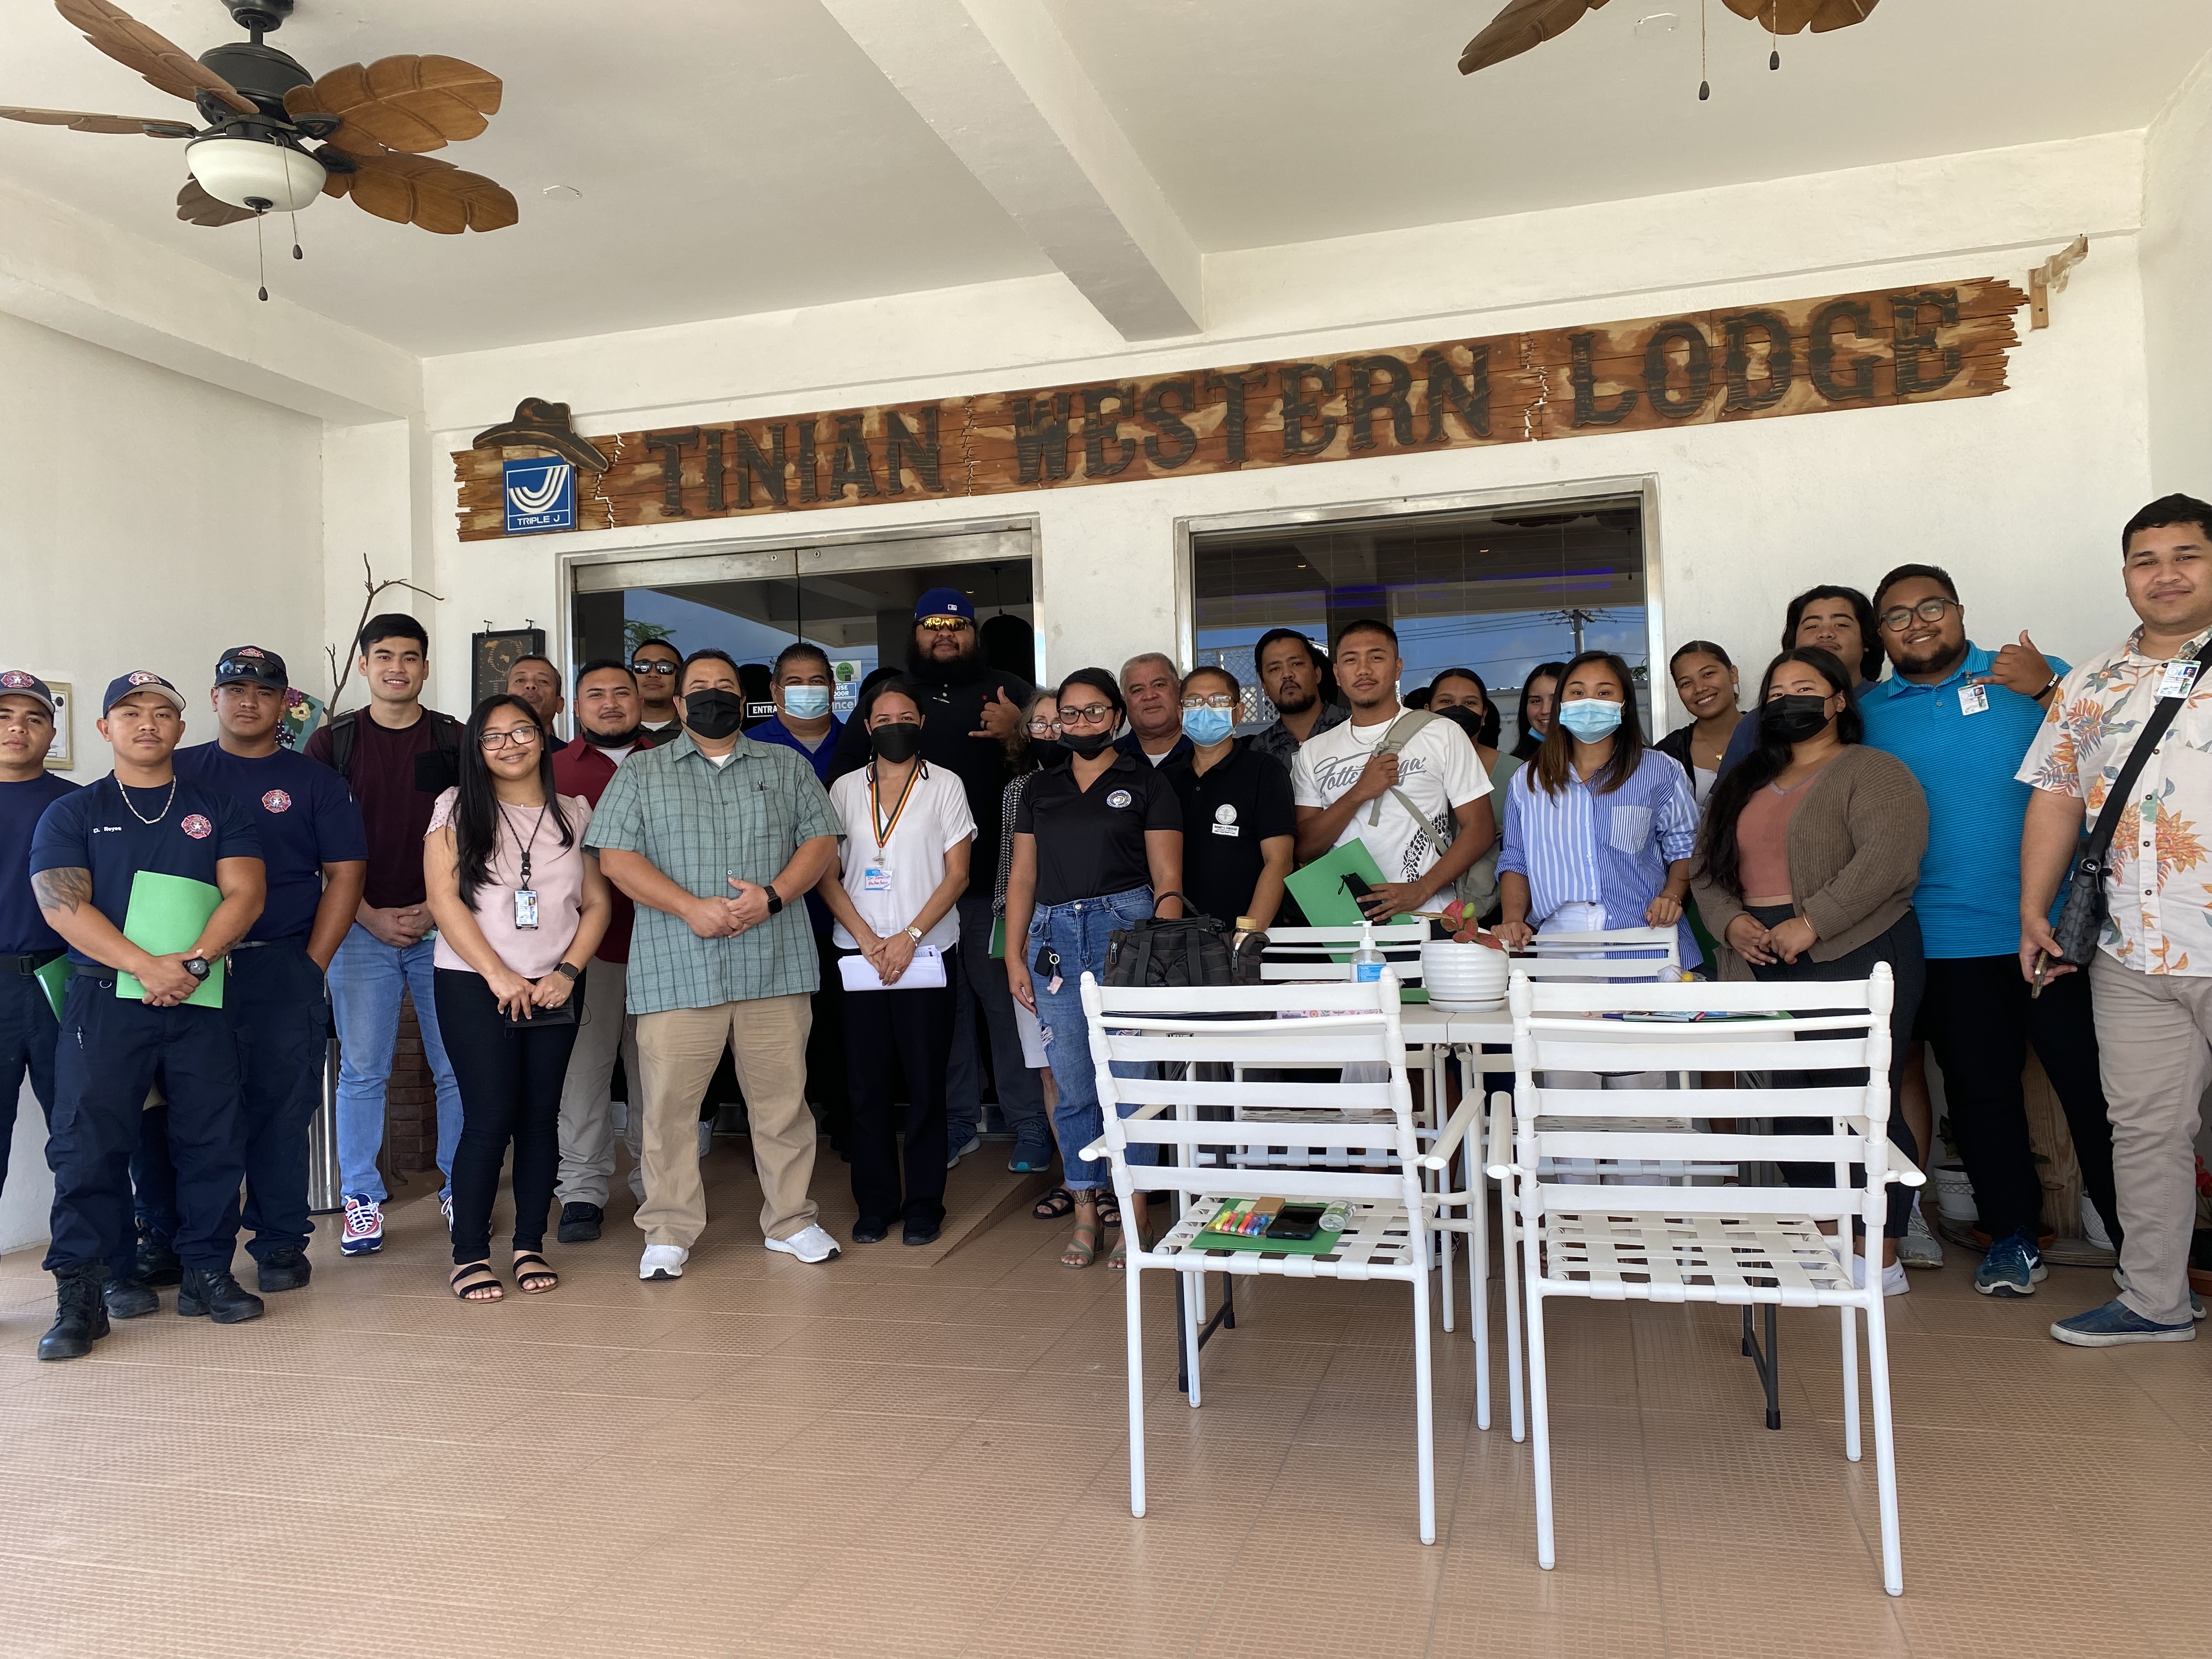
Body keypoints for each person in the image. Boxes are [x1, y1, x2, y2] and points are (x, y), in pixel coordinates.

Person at [1858, 564, 2117, 1299]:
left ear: (1960, 611)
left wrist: (2045, 688)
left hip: (2058, 931)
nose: (1917, 624)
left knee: (2100, 1095)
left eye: (1931, 607)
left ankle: (2144, 1248)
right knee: (1981, 1096)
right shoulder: (1872, 713)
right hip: (1945, 940)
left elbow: (2117, 753)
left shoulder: (2036, 677)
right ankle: (2012, 1238)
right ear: (1882, 635)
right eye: (1897, 616)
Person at [27, 672, 267, 1358]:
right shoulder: (72, 813)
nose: (148, 723)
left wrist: (190, 964)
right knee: (87, 1146)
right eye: (130, 713)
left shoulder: (218, 807)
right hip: (104, 1000)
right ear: (104, 728)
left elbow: (244, 894)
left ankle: (208, 1275)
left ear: (180, 729)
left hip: (202, 995)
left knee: (212, 1140)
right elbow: (62, 905)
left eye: (164, 713)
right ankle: (83, 1294)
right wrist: (145, 965)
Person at [2020, 493, 2212, 1346]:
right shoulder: (2093, 681)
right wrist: (2035, 907)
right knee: (2144, 1130)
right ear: (2126, 575)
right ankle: (2154, 1301)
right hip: (2132, 951)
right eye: (2145, 560)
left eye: (2186, 555)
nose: (2164, 574)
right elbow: (2061, 797)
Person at [586, 649, 845, 1279]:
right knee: (669, 1109)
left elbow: (820, 841)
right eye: (697, 687)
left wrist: (775, 895)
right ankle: (668, 1231)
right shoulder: (642, 775)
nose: (712, 696)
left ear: (745, 698)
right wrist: (687, 908)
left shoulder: (784, 765)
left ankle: (792, 1221)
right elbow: (616, 858)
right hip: (677, 966)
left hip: (773, 965)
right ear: (677, 704)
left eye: (725, 687)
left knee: (784, 1104)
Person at [1692, 646, 1927, 1295]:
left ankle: (1879, 1258)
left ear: (1838, 701)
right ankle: (1829, 1244)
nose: (1787, 700)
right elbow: (1707, 871)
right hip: (1761, 957)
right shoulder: (1740, 781)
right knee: (1792, 1106)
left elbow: (1889, 860)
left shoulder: (1873, 771)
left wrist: (1813, 921)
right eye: (1776, 693)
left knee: (1860, 1101)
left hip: (1858, 950)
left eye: (1804, 687)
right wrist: (1732, 923)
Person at [132, 648, 366, 1296]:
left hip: (277, 965)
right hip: (183, 975)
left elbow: (345, 875)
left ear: (284, 702)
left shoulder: (315, 780)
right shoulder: (177, 770)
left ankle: (281, 1241)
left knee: (281, 1111)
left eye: (262, 692)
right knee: (179, 1112)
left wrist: (310, 963)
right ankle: (173, 1240)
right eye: (234, 689)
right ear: (213, 698)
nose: (247, 701)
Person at [828, 589, 1044, 1173]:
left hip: (996, 888)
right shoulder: (891, 691)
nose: (944, 634)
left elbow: (1059, 765)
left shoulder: (1010, 689)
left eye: (956, 625)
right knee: (943, 1018)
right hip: (906, 899)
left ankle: (1027, 1125)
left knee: (1006, 1008)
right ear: (916, 632)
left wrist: (1018, 728)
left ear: (974, 633)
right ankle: (955, 1122)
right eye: (932, 624)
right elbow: (845, 780)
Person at [424, 695, 611, 1301]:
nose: (509, 745)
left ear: (543, 736)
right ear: (477, 749)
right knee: (489, 1117)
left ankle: (530, 1244)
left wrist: (568, 972)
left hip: (554, 984)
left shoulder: (575, 814)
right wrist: (499, 976)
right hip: (473, 984)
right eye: (492, 736)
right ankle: (469, 1254)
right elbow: (444, 901)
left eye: (521, 732)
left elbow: (598, 904)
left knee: (539, 1117)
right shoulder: (455, 808)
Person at [1005, 668, 1183, 1270]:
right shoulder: (1038, 788)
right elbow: (1023, 876)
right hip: (1053, 938)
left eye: (1093, 712)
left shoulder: (1148, 782)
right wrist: (1013, 953)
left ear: (1116, 717)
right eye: (1069, 715)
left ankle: (1136, 1214)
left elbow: (1168, 881)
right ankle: (1086, 1209)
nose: (1080, 724)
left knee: (1131, 1085)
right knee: (1075, 1086)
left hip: (1125, 933)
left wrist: (1157, 950)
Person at [304, 614, 466, 1257]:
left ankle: (462, 1187)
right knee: (364, 1071)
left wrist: (437, 906)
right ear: (366, 665)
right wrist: (365, 914)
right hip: (359, 929)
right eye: (384, 656)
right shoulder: (331, 743)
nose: (397, 667)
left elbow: (480, 831)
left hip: (446, 927)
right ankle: (362, 1200)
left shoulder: (456, 738)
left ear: (426, 667)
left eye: (410, 656)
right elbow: (311, 843)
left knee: (454, 1068)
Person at [819, 678, 974, 1245]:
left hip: (927, 952)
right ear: (866, 728)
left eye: (905, 716)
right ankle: (875, 1202)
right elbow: (825, 872)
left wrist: (907, 937)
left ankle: (925, 1202)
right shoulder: (841, 789)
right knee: (866, 1085)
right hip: (859, 954)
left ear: (922, 723)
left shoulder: (946, 786)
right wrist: (866, 938)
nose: (894, 726)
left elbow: (958, 874)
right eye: (882, 719)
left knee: (927, 1082)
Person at [1494, 650, 1700, 964]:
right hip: (1561, 940)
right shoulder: (1529, 779)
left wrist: (1672, 897)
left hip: (1644, 931)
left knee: (1644, 1014)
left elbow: (1685, 847)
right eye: (1577, 692)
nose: (1589, 702)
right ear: (1562, 704)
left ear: (1624, 703)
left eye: (1604, 692)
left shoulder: (1660, 770)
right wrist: (1512, 918)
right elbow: (1516, 858)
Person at [1290, 619, 1495, 922]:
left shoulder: (1442, 732)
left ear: (1398, 668)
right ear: (1337, 674)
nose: (1363, 670)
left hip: (1428, 915)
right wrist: (1360, 792)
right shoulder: (1313, 751)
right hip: (1347, 919)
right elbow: (1305, 848)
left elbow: (1480, 829)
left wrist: (1421, 889)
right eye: (1350, 660)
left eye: (1376, 657)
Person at [550, 658, 651, 1244]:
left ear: (641, 701)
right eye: (596, 694)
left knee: (657, 1076)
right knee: (582, 1075)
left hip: (665, 945)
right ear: (575, 705)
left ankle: (657, 1185)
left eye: (622, 693)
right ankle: (582, 1190)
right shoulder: (550, 769)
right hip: (583, 951)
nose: (610, 703)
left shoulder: (671, 762)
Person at [748, 642, 851, 1150]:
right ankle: (773, 1139)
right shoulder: (749, 745)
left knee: (841, 1027)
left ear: (833, 689)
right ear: (774, 690)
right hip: (773, 914)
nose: (807, 692)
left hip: (850, 913)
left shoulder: (859, 743)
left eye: (817, 682)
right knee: (774, 1040)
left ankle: (844, 1122)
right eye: (795, 682)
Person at [0, 672, 77, 1238]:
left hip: (63, 980)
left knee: (80, 1136)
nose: (17, 729)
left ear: (53, 731)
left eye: (32, 718)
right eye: (3, 716)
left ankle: (89, 1274)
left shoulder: (76, 805)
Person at [1165, 665, 1295, 929]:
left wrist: (1246, 936)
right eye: (1194, 702)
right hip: (1178, 941)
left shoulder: (1264, 771)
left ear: (1238, 712)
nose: (1205, 709)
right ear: (1181, 713)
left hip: (1243, 941)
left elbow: (1279, 862)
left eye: (1218, 700)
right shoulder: (1165, 779)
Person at [1717, 586, 1884, 774]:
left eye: (1841, 625)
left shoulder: (1893, 704)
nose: (1825, 634)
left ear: (1867, 640)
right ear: (1793, 643)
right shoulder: (1757, 722)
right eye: (1812, 626)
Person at [1653, 641, 1743, 808]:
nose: (1700, 688)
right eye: (1686, 683)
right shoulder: (1667, 754)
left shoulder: (1768, 734)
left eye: (1708, 674)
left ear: (1733, 674)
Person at [1250, 628, 1347, 770]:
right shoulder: (1259, 749)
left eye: (1296, 664)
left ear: (1317, 674)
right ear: (1264, 687)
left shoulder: (1355, 726)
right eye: (1275, 669)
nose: (1287, 674)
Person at [1115, 652, 1194, 767]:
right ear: (1124, 702)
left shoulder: (1206, 750)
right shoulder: (1111, 757)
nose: (1149, 696)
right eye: (1138, 690)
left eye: (1159, 685)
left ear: (1180, 690)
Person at [504, 654, 570, 756]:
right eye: (520, 680)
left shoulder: (573, 760)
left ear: (559, 704)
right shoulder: (485, 755)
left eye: (543, 681)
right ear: (504, 700)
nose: (530, 685)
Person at [630, 637, 685, 742]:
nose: (653, 674)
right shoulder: (615, 728)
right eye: (643, 666)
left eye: (665, 667)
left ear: (680, 676)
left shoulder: (696, 730)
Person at [1511, 661, 1566, 762]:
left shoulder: (1597, 760)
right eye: (1536, 701)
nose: (1545, 710)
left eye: (1555, 700)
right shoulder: (1514, 767)